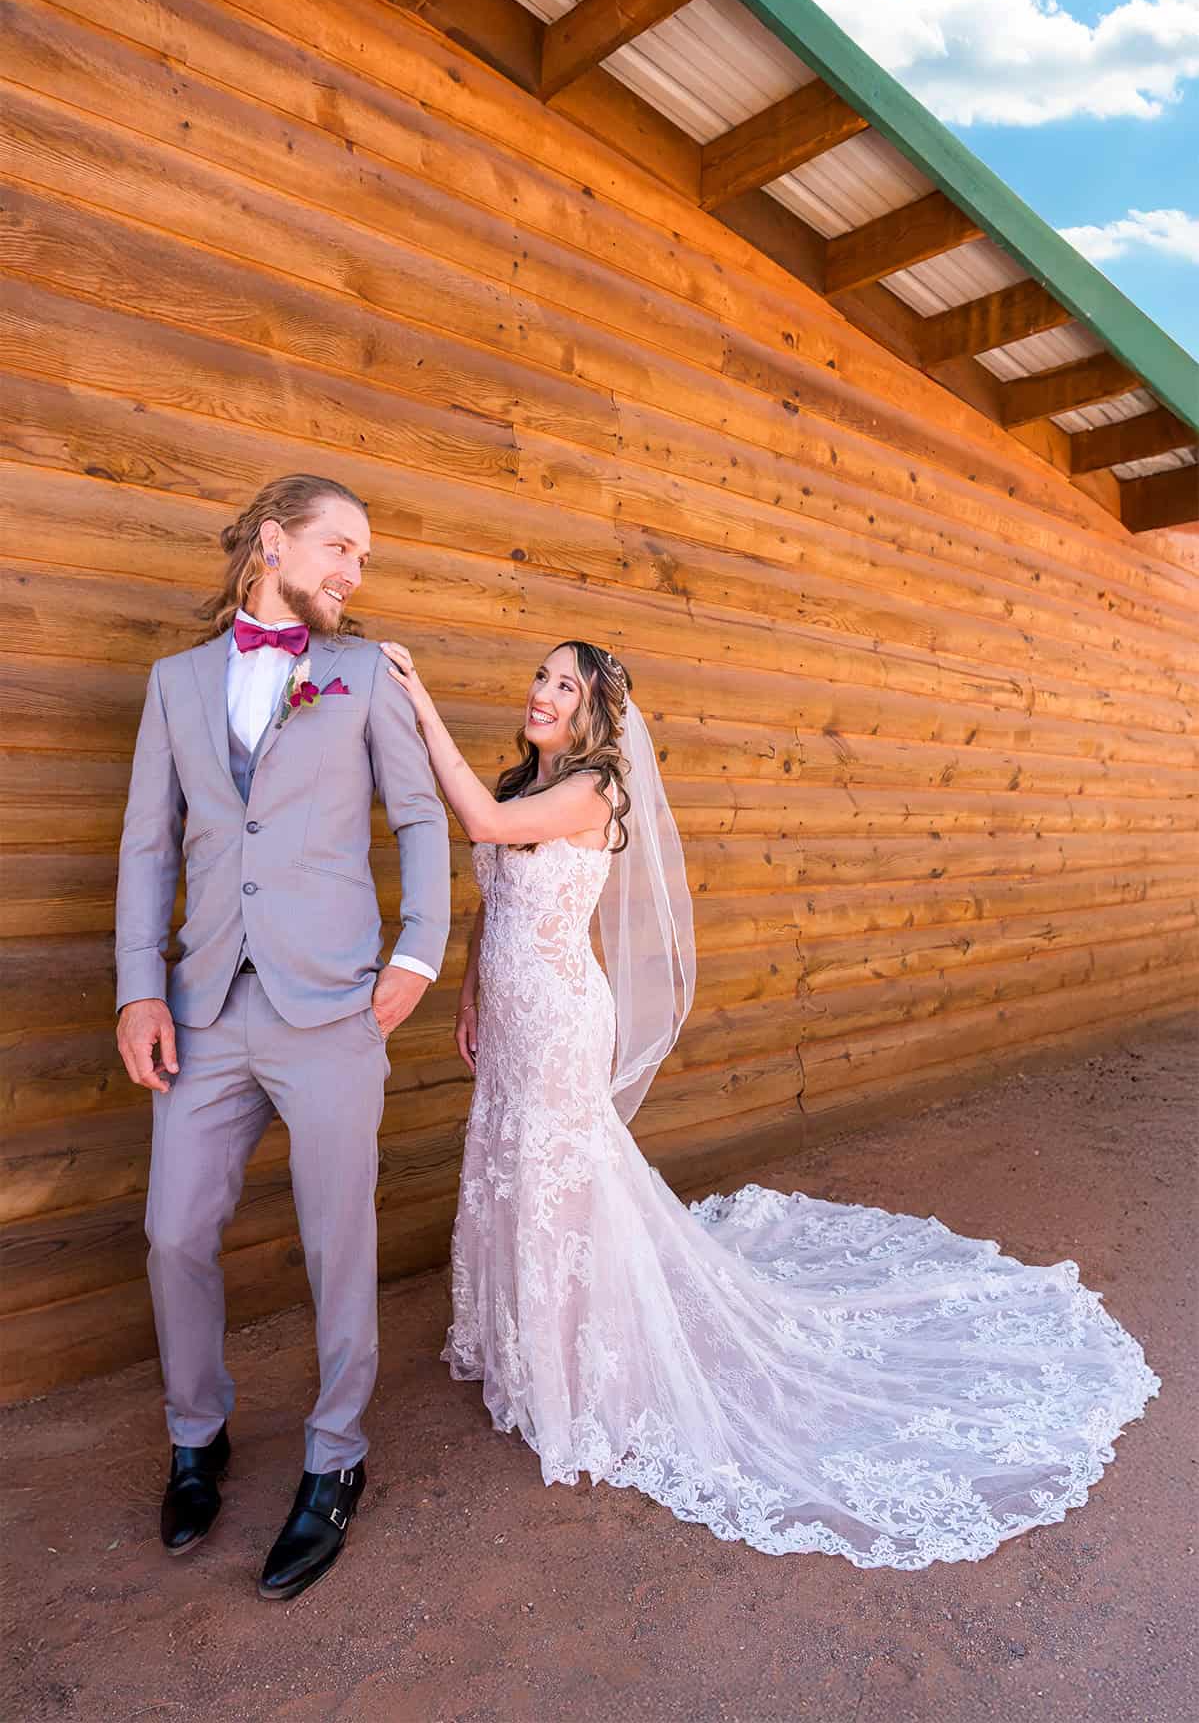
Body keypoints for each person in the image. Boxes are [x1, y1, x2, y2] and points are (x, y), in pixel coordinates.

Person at [379, 636, 1160, 1570]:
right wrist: (468, 993)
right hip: (507, 1016)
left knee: (563, 1183)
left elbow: (476, 822)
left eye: (565, 686)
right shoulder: (519, 788)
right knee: (512, 1169)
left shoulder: (591, 792)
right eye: (541, 677)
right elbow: (492, 897)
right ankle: (523, 1346)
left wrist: (417, 696)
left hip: (557, 1020)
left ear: (595, 716)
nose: (544, 694)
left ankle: (580, 1372)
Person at [116, 475, 451, 1602]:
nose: (353, 575)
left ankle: (334, 1459)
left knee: (333, 1240)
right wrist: (138, 990)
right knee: (174, 1232)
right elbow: (147, 850)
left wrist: (415, 954)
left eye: (364, 559)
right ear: (274, 542)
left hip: (334, 1006)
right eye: (339, 549)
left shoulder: (365, 674)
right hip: (205, 1005)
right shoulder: (172, 685)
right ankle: (195, 1437)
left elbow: (417, 817)